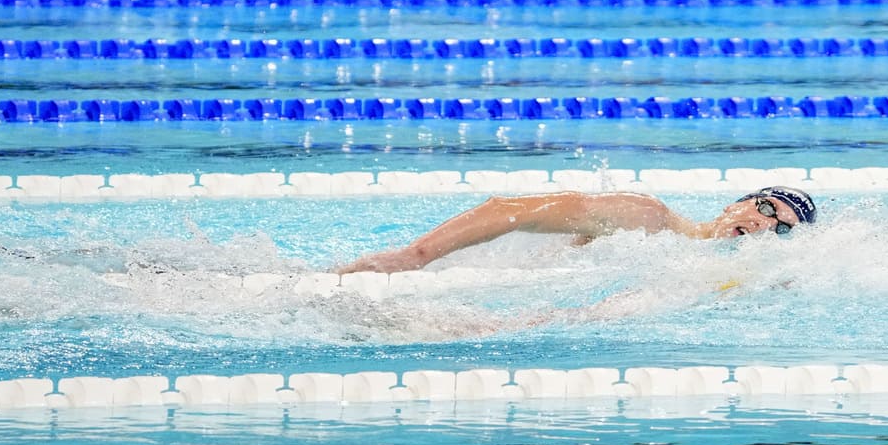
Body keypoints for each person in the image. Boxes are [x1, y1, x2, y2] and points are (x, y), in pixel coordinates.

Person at [334, 186, 816, 275]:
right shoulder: (647, 218)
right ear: (738, 202)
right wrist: (415, 256)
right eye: (767, 207)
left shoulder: (722, 282)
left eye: (781, 229)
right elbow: (512, 209)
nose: (763, 224)